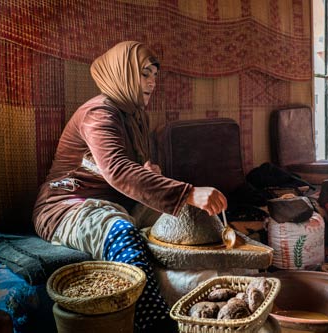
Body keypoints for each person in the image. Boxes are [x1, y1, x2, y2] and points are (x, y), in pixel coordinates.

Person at [32, 41, 227, 332]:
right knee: (125, 232)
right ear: (121, 73)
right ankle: (155, 323)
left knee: (190, 220)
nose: (152, 82)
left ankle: (221, 292)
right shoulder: (99, 113)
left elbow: (131, 170)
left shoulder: (134, 116)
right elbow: (118, 170)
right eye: (144, 73)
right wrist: (187, 192)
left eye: (154, 75)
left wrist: (151, 173)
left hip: (116, 202)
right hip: (67, 205)